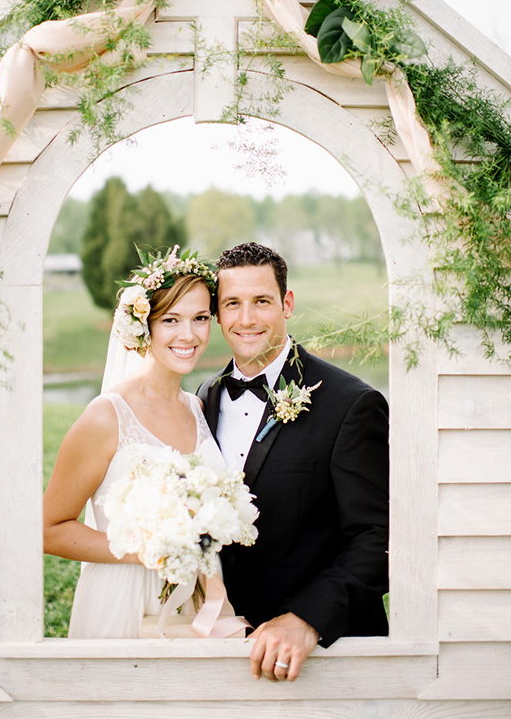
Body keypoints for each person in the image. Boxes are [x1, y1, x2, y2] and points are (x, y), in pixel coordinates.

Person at [198, 242, 389, 682]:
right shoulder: (203, 399)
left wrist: (306, 619)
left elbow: (378, 538)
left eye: (261, 301)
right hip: (224, 645)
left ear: (286, 304)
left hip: (328, 656)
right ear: (218, 314)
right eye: (232, 304)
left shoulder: (352, 403)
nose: (246, 319)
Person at [43, 246, 224, 638]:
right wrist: (149, 549)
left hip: (192, 604)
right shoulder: (107, 415)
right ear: (144, 325)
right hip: (120, 600)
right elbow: (49, 529)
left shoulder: (196, 407)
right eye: (171, 320)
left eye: (200, 318)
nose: (188, 335)